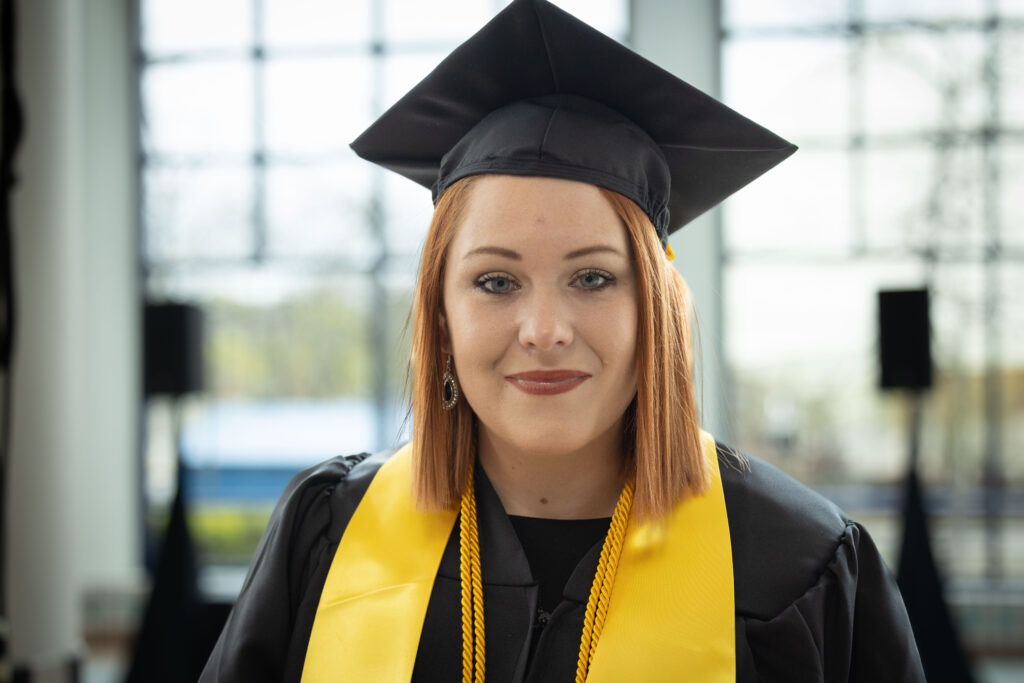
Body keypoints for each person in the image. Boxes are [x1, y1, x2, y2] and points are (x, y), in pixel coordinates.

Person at [199, 1, 925, 681]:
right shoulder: (327, 533)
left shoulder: (798, 566)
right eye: (495, 282)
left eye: (593, 278)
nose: (545, 331)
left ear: (656, 310)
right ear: (441, 317)